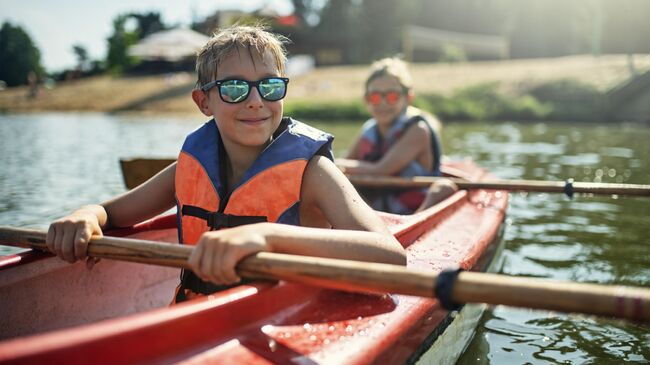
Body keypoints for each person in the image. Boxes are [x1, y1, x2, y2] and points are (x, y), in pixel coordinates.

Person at [46, 25, 405, 303]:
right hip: (200, 318)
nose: (255, 101)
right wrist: (87, 215)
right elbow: (113, 213)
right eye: (234, 88)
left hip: (285, 319)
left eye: (270, 87)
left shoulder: (313, 172)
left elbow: (390, 258)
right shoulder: (190, 166)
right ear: (204, 102)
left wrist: (265, 235)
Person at [337, 57, 457, 215]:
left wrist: (336, 164)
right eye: (375, 97)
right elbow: (348, 162)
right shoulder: (369, 129)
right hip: (377, 207)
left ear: (408, 98)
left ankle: (414, 224)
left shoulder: (418, 130)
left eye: (392, 96)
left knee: (443, 188)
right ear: (366, 100)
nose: (383, 103)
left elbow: (380, 170)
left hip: (414, 207)